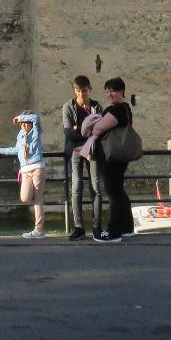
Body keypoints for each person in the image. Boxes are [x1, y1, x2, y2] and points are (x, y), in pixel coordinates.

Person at [85, 78, 136, 243]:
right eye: (107, 91)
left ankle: (114, 232)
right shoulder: (125, 108)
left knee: (113, 192)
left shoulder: (117, 109)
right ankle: (127, 227)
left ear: (121, 91)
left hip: (111, 157)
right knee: (118, 190)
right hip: (117, 156)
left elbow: (99, 128)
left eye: (112, 91)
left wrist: (94, 126)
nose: (109, 94)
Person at [0, 111, 48, 239]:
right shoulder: (20, 135)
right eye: (21, 123)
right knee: (25, 198)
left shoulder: (36, 131)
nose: (23, 125)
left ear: (30, 123)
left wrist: (19, 117)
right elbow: (16, 149)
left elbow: (36, 117)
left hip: (38, 168)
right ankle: (38, 228)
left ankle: (39, 230)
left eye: (25, 123)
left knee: (37, 200)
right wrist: (1, 150)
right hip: (25, 171)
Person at [62, 75, 101, 241]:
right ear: (74, 90)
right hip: (76, 151)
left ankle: (97, 227)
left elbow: (100, 129)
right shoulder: (68, 107)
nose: (81, 94)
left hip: (92, 150)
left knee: (96, 187)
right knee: (76, 186)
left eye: (84, 91)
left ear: (89, 90)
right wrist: (87, 131)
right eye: (77, 91)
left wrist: (78, 128)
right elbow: (68, 132)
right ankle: (79, 228)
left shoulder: (96, 106)